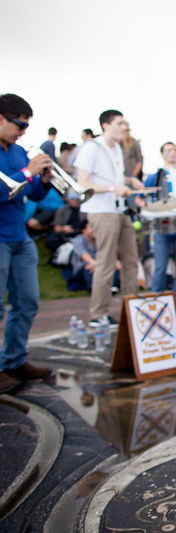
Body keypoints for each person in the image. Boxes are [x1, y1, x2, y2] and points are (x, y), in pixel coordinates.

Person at [0, 93, 55, 394]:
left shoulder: (19, 151)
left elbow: (31, 193)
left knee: (27, 302)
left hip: (18, 236)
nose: (23, 131)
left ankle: (14, 360)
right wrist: (27, 172)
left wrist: (42, 180)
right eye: (19, 124)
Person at [75, 109, 144, 328]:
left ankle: (131, 307)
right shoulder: (91, 147)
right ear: (106, 125)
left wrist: (130, 180)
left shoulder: (115, 149)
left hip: (120, 210)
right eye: (120, 123)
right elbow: (82, 182)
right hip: (102, 211)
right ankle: (98, 314)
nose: (125, 127)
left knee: (131, 260)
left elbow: (111, 177)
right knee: (105, 262)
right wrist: (115, 187)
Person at [144, 142, 176, 312]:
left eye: (174, 150)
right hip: (162, 227)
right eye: (168, 150)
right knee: (160, 266)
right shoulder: (155, 176)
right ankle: (155, 299)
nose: (172, 153)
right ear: (162, 154)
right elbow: (145, 197)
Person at [68, 220, 120, 291]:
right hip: (83, 269)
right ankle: (93, 288)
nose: (94, 230)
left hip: (99, 266)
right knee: (88, 268)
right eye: (91, 228)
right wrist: (95, 264)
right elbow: (84, 255)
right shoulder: (78, 240)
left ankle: (113, 287)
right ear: (84, 230)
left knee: (112, 266)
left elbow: (106, 254)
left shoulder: (98, 240)